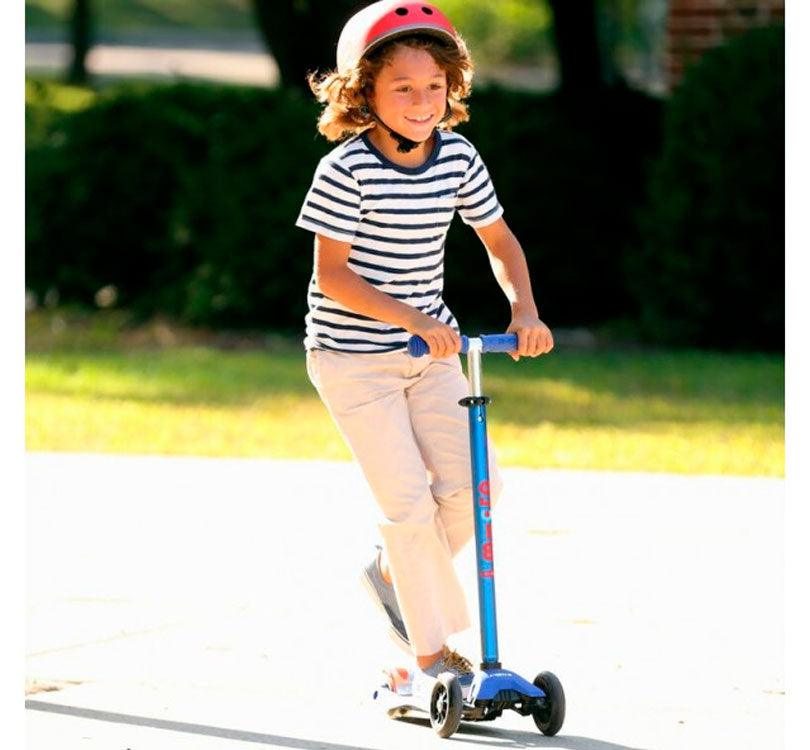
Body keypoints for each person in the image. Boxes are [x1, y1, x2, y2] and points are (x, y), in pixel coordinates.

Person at [295, 0, 553, 693]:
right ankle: (433, 661)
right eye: (402, 88)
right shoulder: (346, 169)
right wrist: (411, 317)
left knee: (476, 491)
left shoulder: (459, 156)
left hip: (430, 352)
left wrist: (523, 308)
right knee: (407, 505)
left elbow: (498, 241)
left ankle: (390, 576)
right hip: (353, 359)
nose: (421, 102)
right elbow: (333, 275)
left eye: (434, 86)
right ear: (363, 93)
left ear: (453, 87)